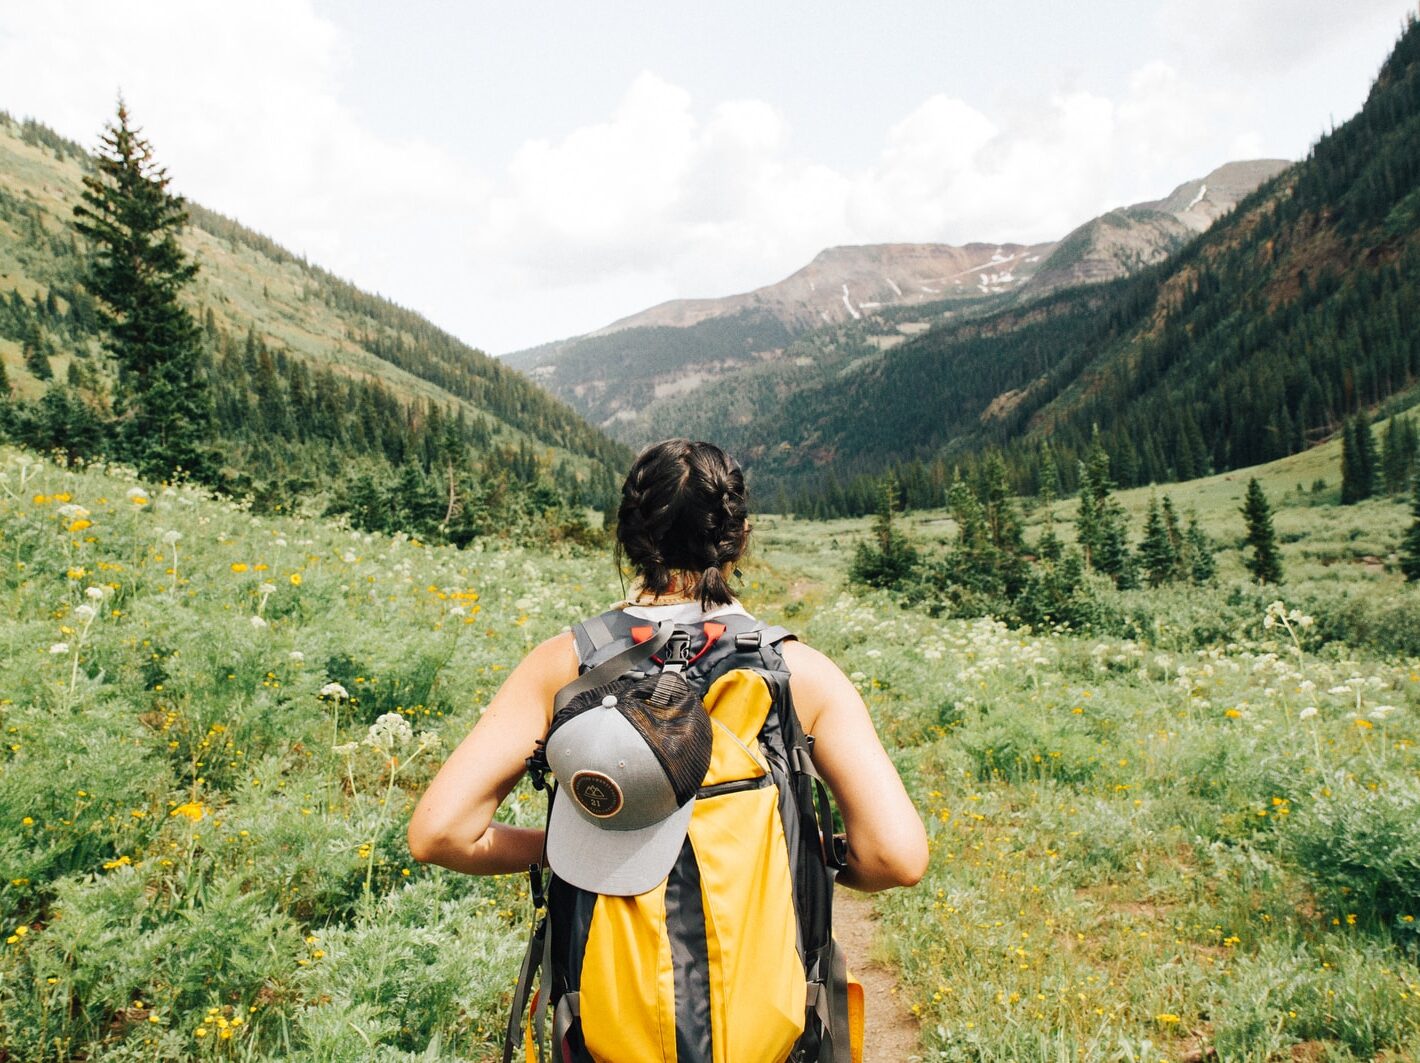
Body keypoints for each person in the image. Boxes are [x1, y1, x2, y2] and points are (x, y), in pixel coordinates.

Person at [408, 438, 928, 1052]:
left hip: (609, 1032)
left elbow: (439, 833)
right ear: (740, 536)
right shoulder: (800, 673)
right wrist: (808, 853)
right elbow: (897, 857)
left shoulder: (565, 665)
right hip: (766, 1037)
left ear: (628, 536)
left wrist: (564, 851)